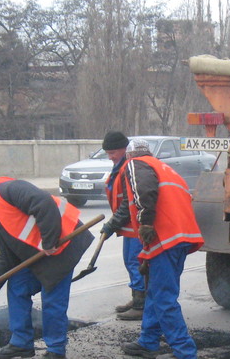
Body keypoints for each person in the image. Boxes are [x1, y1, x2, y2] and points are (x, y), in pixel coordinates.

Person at [0, 175, 93, 359]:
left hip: (62, 248)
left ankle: (56, 350)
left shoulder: (7, 189)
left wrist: (49, 240)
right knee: (17, 287)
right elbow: (7, 256)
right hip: (40, 254)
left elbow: (44, 203)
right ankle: (21, 344)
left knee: (52, 299)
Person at [113, 139, 204, 359]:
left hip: (166, 238)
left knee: (163, 297)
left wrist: (144, 223)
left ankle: (185, 351)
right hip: (179, 238)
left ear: (129, 155)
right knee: (155, 292)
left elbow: (144, 191)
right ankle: (148, 342)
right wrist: (147, 253)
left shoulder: (136, 165)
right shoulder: (165, 169)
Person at [98, 131, 147, 321]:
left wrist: (111, 224)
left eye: (113, 153)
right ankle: (136, 298)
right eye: (108, 153)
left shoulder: (128, 168)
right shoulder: (119, 167)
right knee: (130, 261)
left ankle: (141, 304)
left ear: (124, 149)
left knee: (136, 262)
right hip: (128, 225)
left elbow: (128, 203)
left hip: (136, 224)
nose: (110, 157)